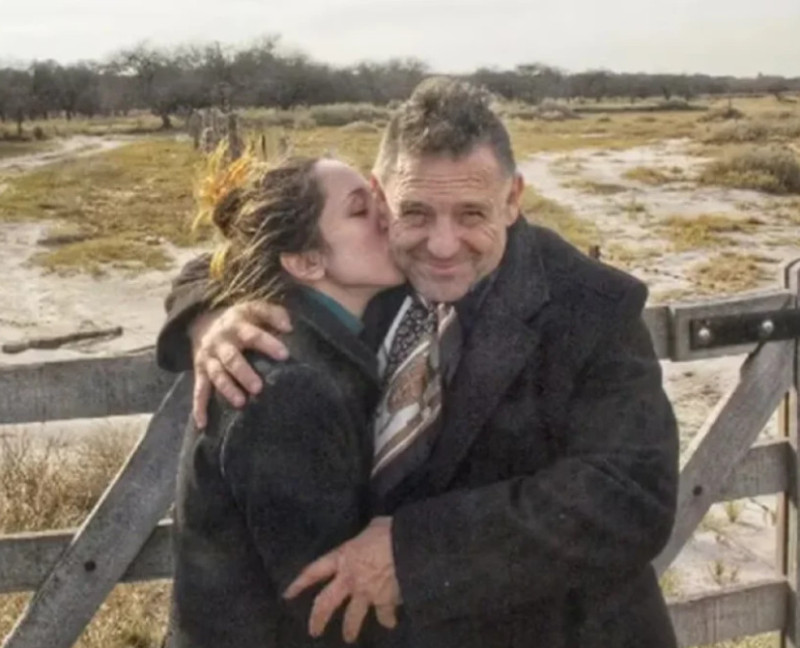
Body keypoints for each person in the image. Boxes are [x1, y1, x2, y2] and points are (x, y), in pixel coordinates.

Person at [156, 77, 680, 648]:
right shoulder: (381, 267)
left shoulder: (591, 306)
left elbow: (632, 495)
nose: (443, 244)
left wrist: (413, 553)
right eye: (417, 213)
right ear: (383, 200)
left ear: (513, 199)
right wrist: (212, 319)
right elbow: (230, 255)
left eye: (473, 213)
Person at [166, 152, 404, 648]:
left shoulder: (331, 321)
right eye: (360, 210)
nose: (388, 215)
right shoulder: (288, 389)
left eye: (380, 198)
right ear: (305, 261)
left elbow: (208, 265)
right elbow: (326, 606)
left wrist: (205, 313)